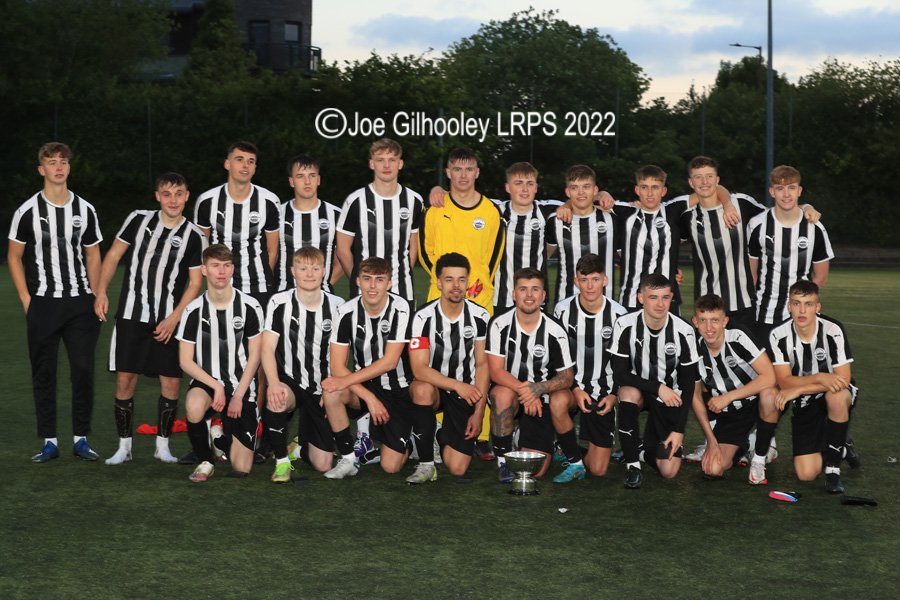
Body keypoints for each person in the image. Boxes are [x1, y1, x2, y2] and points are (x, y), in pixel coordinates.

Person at [94, 173, 207, 465]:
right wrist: (101, 292)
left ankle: (162, 446)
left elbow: (196, 283)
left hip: (169, 320)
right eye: (167, 194)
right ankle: (124, 447)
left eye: (179, 194)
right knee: (125, 380)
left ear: (187, 196)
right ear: (157, 196)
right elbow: (114, 255)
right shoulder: (138, 220)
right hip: (132, 315)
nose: (173, 200)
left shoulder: (195, 235)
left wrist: (174, 318)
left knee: (170, 384)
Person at [9, 142, 103, 462]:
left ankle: (80, 438)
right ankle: (50, 441)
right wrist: (26, 299)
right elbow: (14, 255)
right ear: (42, 170)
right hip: (43, 304)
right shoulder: (27, 211)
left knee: (83, 371)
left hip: (80, 304)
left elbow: (93, 253)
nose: (58, 166)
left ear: (69, 168)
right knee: (44, 373)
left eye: (63, 161)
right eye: (52, 162)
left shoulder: (85, 210)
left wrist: (95, 293)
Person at [193, 141, 280, 463]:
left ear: (256, 168)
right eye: (239, 159)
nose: (245, 165)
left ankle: (249, 436)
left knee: (254, 363)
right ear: (227, 163)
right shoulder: (207, 201)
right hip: (218, 293)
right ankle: (207, 435)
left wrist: (258, 285)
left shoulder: (268, 201)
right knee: (212, 357)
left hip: (256, 290)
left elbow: (273, 251)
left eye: (251, 161)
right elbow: (202, 248)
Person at [176, 244, 264, 482]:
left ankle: (219, 439)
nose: (221, 272)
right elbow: (184, 360)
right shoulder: (193, 310)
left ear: (233, 269)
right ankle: (205, 461)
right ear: (204, 270)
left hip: (242, 385)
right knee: (193, 405)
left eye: (226, 266)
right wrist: (216, 386)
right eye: (215, 266)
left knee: (241, 468)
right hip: (207, 381)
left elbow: (256, 356)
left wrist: (237, 395)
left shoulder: (250, 306)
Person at [320, 257, 414, 479]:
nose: (373, 286)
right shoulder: (345, 312)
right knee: (332, 391)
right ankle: (348, 459)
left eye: (379, 280)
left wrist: (349, 382)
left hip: (398, 388)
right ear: (358, 281)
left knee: (391, 467)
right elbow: (336, 365)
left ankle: (411, 437)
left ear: (389, 284)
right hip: (364, 386)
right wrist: (369, 397)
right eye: (367, 279)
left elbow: (390, 361)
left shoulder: (401, 308)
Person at [261, 246, 345, 482]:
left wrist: (333, 389)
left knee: (323, 464)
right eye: (303, 268)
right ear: (292, 272)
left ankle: (298, 448)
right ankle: (281, 462)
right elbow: (266, 347)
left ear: (324, 272)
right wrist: (274, 383)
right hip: (290, 380)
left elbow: (343, 354)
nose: (309, 274)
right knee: (276, 398)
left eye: (315, 268)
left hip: (322, 386)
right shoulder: (279, 302)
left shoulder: (338, 305)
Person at [610, 274, 700, 489]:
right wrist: (658, 388)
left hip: (671, 398)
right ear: (641, 298)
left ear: (671, 298)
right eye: (653, 297)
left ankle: (639, 449)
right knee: (627, 394)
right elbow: (620, 374)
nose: (660, 304)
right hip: (642, 389)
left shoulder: (684, 331)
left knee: (668, 471)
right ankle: (633, 466)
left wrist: (679, 430)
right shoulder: (625, 324)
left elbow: (688, 385)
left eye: (665, 297)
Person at [769, 281, 859, 494]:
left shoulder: (832, 329)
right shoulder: (778, 335)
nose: (802, 310)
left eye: (808, 304)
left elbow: (843, 379)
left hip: (834, 395)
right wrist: (819, 378)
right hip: (805, 402)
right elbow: (784, 382)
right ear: (788, 306)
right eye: (797, 303)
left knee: (836, 396)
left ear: (817, 307)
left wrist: (799, 387)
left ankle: (833, 471)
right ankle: (841, 448)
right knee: (806, 474)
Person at [408, 253, 491, 483]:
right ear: (439, 282)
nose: (456, 286)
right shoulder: (423, 317)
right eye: (449, 279)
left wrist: (478, 412)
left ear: (467, 282)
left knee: (457, 468)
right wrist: (458, 385)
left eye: (461, 280)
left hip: (464, 395)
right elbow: (419, 369)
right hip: (435, 387)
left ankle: (435, 432)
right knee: (422, 389)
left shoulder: (480, 316)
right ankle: (425, 464)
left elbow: (483, 366)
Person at [486, 268, 574, 482]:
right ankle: (502, 462)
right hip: (514, 394)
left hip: (540, 400)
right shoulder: (499, 323)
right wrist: (527, 391)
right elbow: (496, 371)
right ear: (514, 294)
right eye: (523, 289)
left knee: (537, 471)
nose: (529, 295)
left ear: (543, 295)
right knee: (501, 396)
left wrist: (539, 389)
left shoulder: (555, 329)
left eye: (535, 289)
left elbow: (567, 377)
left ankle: (521, 435)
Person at [552, 254, 627, 481]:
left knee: (598, 469)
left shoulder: (619, 315)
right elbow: (558, 357)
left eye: (595, 279)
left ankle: (565, 448)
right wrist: (574, 387)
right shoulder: (563, 310)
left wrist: (614, 395)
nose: (590, 286)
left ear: (605, 280)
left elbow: (623, 363)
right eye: (584, 280)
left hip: (603, 392)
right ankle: (574, 461)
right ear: (576, 282)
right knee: (557, 402)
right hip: (571, 387)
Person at [690, 294, 780, 483]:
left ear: (725, 321)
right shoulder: (692, 348)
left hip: (755, 399)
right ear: (695, 322)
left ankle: (759, 458)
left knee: (770, 396)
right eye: (703, 320)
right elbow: (696, 396)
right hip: (730, 413)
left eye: (715, 320)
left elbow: (770, 377)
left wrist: (729, 397)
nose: (709, 327)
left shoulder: (737, 336)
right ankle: (749, 443)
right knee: (712, 468)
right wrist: (712, 441)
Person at [748, 165, 833, 343]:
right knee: (768, 369)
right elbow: (752, 274)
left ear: (799, 191)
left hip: (801, 316)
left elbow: (821, 276)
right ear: (772, 192)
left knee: (799, 368)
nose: (786, 194)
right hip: (765, 313)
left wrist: (802, 303)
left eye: (791, 188)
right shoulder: (757, 224)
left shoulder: (814, 227)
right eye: (780, 188)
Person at [419, 147, 505, 314]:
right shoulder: (434, 209)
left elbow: (493, 257)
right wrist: (446, 280)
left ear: (477, 172)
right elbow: (425, 252)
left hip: (477, 294)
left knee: (480, 340)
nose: (463, 175)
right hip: (440, 293)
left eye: (469, 169)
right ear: (448, 173)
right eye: (457, 169)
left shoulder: (491, 211)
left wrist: (474, 282)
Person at [336, 138, 422, 302]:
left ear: (400, 164)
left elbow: (413, 246)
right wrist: (361, 278)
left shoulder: (414, 200)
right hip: (364, 292)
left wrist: (400, 274)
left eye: (392, 160)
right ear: (371, 164)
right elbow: (342, 249)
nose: (387, 166)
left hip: (402, 291)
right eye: (380, 160)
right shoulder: (356, 200)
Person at [546, 165, 617, 304]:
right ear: (567, 192)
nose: (581, 192)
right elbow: (544, 256)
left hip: (605, 304)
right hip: (566, 304)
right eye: (574, 187)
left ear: (595, 190)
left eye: (586, 186)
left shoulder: (613, 220)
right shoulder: (555, 222)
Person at [276, 154, 342, 293]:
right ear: (291, 181)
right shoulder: (276, 214)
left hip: (323, 296)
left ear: (318, 180)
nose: (307, 181)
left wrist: (320, 285)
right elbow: (270, 254)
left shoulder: (337, 215)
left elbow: (342, 257)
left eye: (311, 176)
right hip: (284, 295)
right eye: (300, 176)